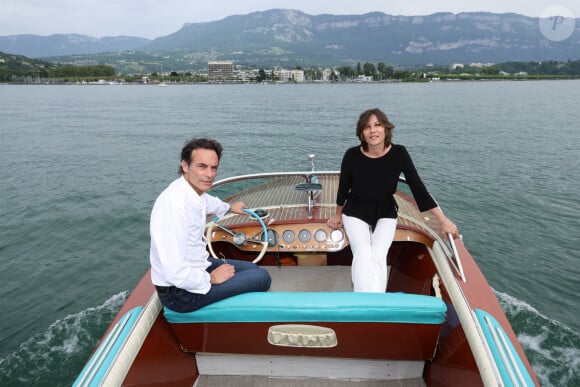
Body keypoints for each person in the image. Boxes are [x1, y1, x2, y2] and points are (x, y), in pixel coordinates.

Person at [327, 108, 458, 293]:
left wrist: (443, 221)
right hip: (355, 211)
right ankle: (365, 303)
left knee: (379, 255)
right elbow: (343, 188)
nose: (372, 131)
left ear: (386, 129)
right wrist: (338, 214)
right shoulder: (352, 155)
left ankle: (375, 304)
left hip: (386, 211)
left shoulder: (399, 153)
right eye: (367, 127)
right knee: (363, 253)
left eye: (377, 125)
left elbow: (418, 188)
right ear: (361, 134)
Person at [150, 138, 271, 312]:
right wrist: (211, 279)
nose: (209, 174)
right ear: (185, 166)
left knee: (251, 268)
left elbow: (209, 203)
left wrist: (230, 207)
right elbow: (174, 272)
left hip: (197, 266)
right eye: (202, 166)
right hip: (180, 294)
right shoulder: (173, 207)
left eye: (213, 168)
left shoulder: (192, 193)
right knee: (262, 277)